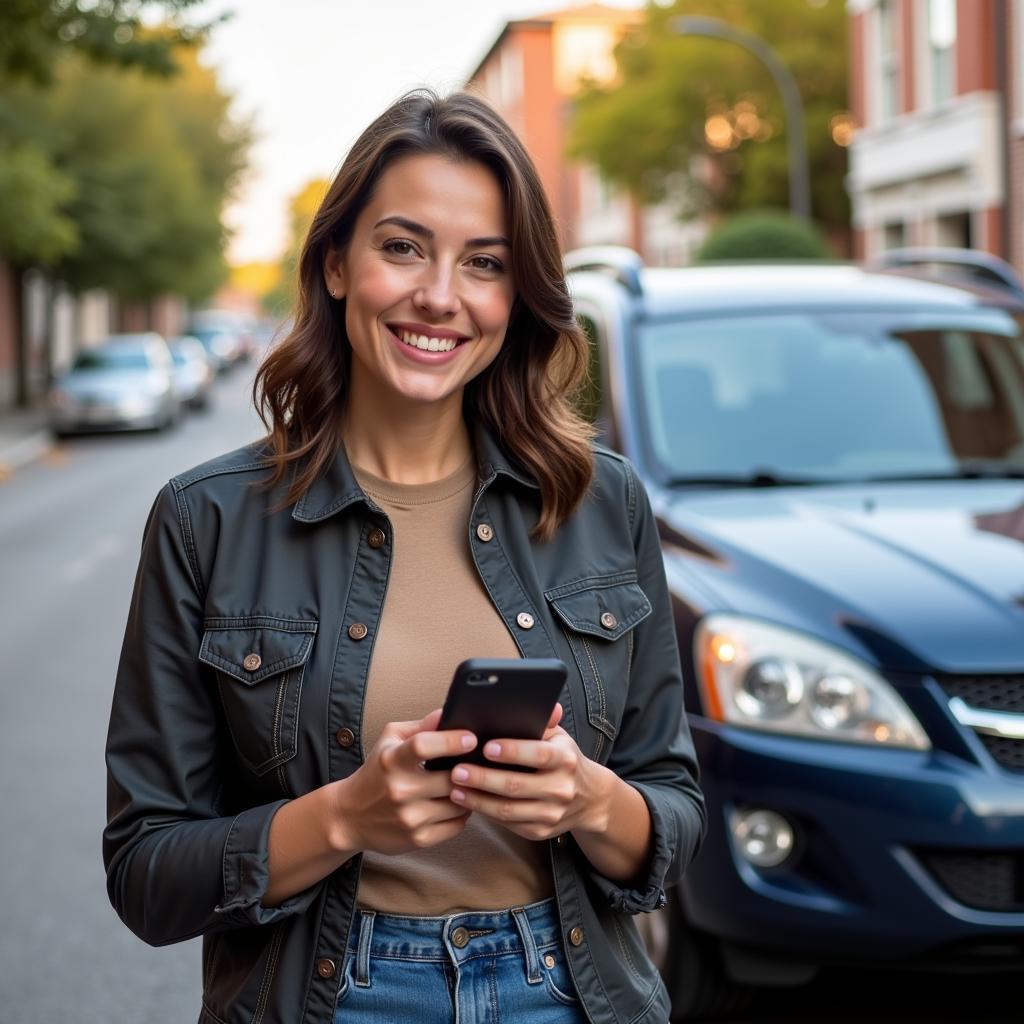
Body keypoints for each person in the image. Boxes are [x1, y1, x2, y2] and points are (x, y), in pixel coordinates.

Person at [103, 89, 706, 1024]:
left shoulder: (601, 500)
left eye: (485, 263)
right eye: (403, 246)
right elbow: (146, 873)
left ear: (517, 294)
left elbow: (673, 809)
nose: (440, 295)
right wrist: (343, 817)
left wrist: (589, 800)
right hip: (331, 998)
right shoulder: (205, 518)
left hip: (570, 991)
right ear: (337, 262)